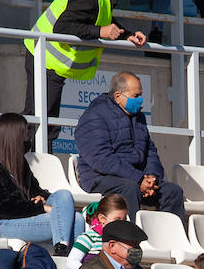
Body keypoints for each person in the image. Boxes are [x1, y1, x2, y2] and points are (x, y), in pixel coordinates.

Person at [23, 0, 148, 145]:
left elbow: (99, 18)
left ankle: (24, 158)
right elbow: (62, 27)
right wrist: (100, 31)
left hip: (50, 60)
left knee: (44, 123)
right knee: (39, 122)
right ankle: (9, 157)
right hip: (45, 57)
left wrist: (127, 34)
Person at [0, 113, 84, 256]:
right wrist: (40, 208)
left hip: (26, 216)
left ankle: (63, 249)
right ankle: (64, 255)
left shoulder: (19, 164)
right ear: (14, 137)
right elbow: (3, 208)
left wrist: (41, 199)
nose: (28, 138)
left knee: (64, 195)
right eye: (26, 134)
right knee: (76, 220)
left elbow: (35, 191)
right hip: (1, 223)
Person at [75, 73, 186, 223]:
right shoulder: (94, 116)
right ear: (117, 96)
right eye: (136, 96)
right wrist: (139, 179)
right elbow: (101, 160)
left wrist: (151, 177)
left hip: (136, 178)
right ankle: (131, 236)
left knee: (173, 192)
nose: (140, 100)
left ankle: (168, 236)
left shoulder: (138, 117)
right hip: (99, 178)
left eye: (141, 95)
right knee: (130, 188)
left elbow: (150, 152)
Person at [68, 194, 130, 269]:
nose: (121, 224)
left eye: (124, 220)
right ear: (102, 219)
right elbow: (71, 262)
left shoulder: (123, 241)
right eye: (117, 220)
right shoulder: (89, 238)